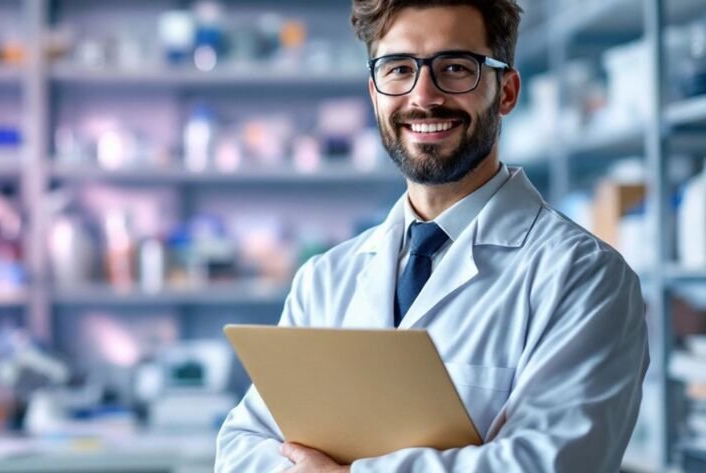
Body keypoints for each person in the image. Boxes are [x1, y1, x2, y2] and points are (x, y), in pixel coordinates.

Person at [215, 1, 650, 471]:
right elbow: (242, 446)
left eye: (456, 68)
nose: (423, 96)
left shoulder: (584, 278)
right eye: (398, 69)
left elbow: (547, 464)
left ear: (506, 91)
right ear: (374, 93)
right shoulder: (324, 280)